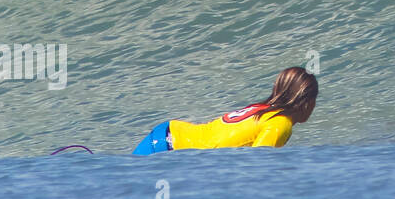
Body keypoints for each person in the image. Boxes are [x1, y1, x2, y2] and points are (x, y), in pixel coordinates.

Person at [131, 67, 318, 154]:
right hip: (171, 149)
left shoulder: (261, 109)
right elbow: (258, 168)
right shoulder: (280, 124)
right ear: (306, 102)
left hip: (169, 133)